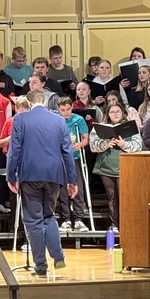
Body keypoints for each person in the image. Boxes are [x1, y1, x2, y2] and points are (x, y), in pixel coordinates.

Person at [6, 88, 78, 276]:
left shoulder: (21, 119)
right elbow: (67, 152)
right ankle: (58, 256)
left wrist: (11, 176)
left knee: (32, 220)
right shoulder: (59, 120)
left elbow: (15, 150)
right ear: (45, 101)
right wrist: (72, 179)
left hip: (30, 174)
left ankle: (41, 265)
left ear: (29, 103)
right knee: (49, 216)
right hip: (54, 175)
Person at [89, 101, 143, 232]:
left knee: (124, 197)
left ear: (123, 113)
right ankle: (114, 224)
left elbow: (138, 146)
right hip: (106, 168)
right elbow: (92, 145)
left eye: (118, 111)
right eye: (112, 112)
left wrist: (123, 144)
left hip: (125, 167)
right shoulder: (100, 127)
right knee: (112, 197)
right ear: (108, 113)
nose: (115, 114)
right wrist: (106, 144)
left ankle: (126, 224)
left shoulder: (129, 126)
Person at [57, 97, 90, 231]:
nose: (66, 112)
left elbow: (86, 138)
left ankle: (78, 218)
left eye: (68, 109)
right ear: (59, 110)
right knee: (62, 188)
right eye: (62, 110)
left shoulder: (78, 120)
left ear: (72, 107)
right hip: (60, 159)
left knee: (78, 187)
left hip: (75, 157)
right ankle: (65, 218)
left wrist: (80, 145)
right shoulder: (57, 120)